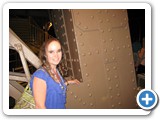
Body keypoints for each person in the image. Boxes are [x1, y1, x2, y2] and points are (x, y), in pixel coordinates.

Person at [30, 37, 80, 109]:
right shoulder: (40, 76)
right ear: (45, 54)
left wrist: (69, 82)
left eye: (58, 51)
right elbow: (40, 107)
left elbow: (55, 87)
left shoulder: (55, 70)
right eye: (51, 52)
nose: (56, 55)